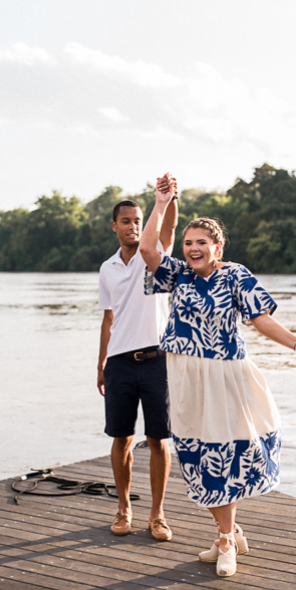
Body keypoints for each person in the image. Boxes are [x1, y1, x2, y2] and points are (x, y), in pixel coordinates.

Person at [139, 175, 296, 578]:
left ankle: (225, 541)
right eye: (188, 243)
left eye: (201, 243)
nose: (193, 249)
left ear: (217, 247)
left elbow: (261, 319)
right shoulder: (179, 275)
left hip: (225, 374)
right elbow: (149, 248)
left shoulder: (235, 275)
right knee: (194, 457)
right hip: (184, 375)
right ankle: (230, 529)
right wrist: (161, 203)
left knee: (224, 456)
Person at [97, 185, 178, 541]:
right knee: (121, 438)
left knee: (158, 439)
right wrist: (100, 364)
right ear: (113, 226)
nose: (133, 226)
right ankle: (123, 508)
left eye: (138, 221)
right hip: (119, 364)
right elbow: (108, 318)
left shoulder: (155, 254)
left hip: (157, 361)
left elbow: (170, 228)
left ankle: (157, 514)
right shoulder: (107, 269)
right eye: (126, 221)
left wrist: (169, 198)